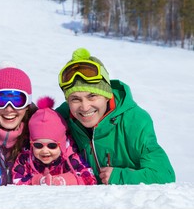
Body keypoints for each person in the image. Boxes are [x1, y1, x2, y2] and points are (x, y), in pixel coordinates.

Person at [55, 48, 176, 185]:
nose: (85, 107)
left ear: (107, 95)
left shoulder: (135, 121)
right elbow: (37, 123)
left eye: (92, 96)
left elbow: (164, 175)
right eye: (75, 99)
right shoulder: (64, 118)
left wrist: (120, 176)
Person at [12, 96, 97, 186]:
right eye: (38, 145)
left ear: (63, 144)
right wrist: (39, 180)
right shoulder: (26, 158)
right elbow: (17, 179)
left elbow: (89, 179)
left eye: (52, 146)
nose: (45, 151)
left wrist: (63, 180)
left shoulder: (71, 157)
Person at [0, 62, 37, 185]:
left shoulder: (39, 136)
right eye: (0, 100)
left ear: (27, 105)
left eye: (17, 100)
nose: (9, 109)